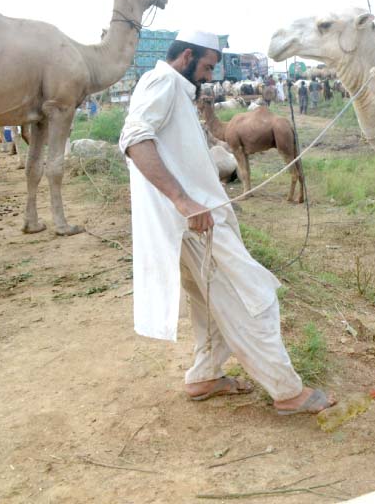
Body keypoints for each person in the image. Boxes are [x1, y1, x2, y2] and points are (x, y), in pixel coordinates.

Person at [118, 29, 335, 415]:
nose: (209, 76)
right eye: (207, 67)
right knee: (251, 298)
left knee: (208, 304)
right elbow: (134, 139)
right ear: (186, 56)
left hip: (192, 223)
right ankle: (287, 391)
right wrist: (184, 202)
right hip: (195, 224)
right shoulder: (163, 82)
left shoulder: (171, 89)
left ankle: (204, 376)